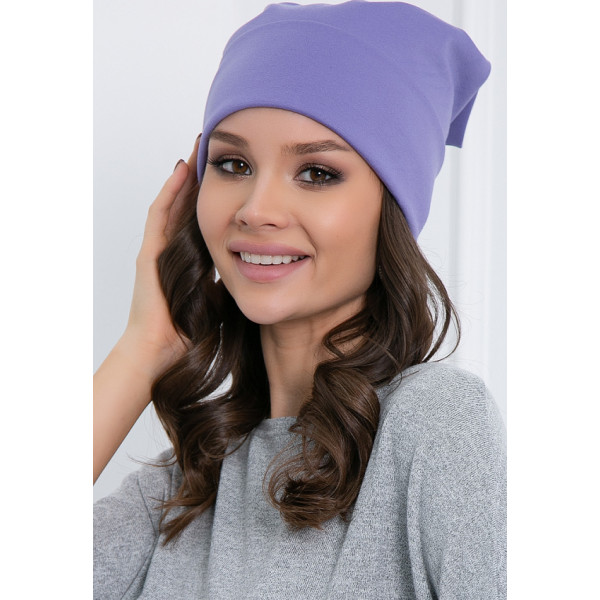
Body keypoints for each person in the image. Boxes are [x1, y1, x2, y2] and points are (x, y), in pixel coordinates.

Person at [94, 2, 506, 599]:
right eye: (233, 164)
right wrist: (143, 350)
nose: (256, 209)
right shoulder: (185, 486)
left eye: (316, 173)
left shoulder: (436, 424)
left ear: (392, 209)